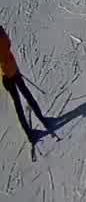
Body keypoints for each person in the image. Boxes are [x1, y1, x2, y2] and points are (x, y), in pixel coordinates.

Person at [1, 25, 58, 157]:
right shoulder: (1, 35)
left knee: (18, 104)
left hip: (6, 74)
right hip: (13, 71)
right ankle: (42, 119)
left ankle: (29, 133)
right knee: (26, 95)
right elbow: (7, 44)